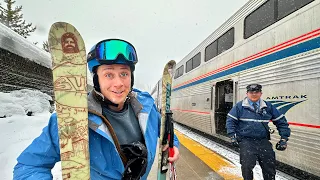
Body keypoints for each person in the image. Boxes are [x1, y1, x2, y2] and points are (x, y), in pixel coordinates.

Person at [13, 39, 180, 180]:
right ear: (96, 78)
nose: (118, 83)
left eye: (124, 74)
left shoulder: (146, 108)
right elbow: (28, 166)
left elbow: (166, 130)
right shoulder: (72, 117)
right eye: (108, 74)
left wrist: (174, 146)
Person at [226, 83, 290, 180]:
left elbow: (281, 122)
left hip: (263, 141)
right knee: (247, 167)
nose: (254, 94)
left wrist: (284, 139)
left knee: (270, 167)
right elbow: (230, 121)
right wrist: (232, 136)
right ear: (247, 93)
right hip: (246, 141)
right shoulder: (239, 106)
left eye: (257, 92)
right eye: (251, 92)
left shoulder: (268, 107)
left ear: (261, 93)